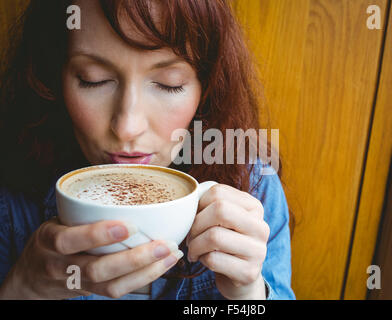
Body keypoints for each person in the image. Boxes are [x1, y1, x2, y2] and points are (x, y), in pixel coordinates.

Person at [0, 0, 295, 300]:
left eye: (169, 85)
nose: (128, 126)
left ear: (206, 89)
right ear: (53, 77)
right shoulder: (11, 194)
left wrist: (250, 294)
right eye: (93, 80)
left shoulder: (252, 185)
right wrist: (21, 288)